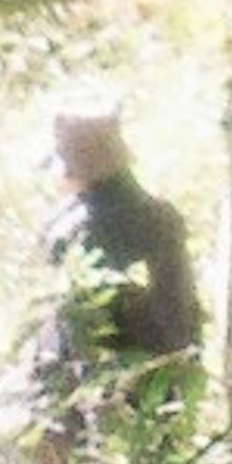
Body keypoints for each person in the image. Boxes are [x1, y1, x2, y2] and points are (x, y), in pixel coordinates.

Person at [31, 96, 203, 437]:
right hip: (169, 385)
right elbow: (184, 313)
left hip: (93, 402)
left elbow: (64, 335)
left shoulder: (67, 230)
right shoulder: (164, 219)